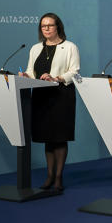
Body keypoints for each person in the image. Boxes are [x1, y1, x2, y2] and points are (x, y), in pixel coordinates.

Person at [22, 13, 80, 192]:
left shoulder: (69, 47)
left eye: (50, 25)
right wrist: (25, 76)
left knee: (59, 137)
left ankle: (58, 178)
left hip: (61, 95)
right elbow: (31, 71)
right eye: (43, 26)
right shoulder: (35, 48)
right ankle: (49, 176)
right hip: (41, 96)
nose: (46, 29)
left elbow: (75, 71)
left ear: (58, 27)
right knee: (47, 138)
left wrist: (56, 77)